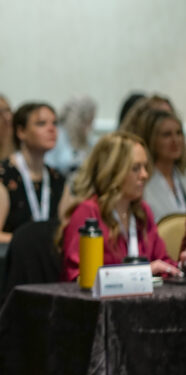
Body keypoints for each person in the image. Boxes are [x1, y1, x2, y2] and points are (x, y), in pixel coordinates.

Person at [60, 132, 180, 281]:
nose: (145, 175)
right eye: (136, 168)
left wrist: (179, 266)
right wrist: (141, 273)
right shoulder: (88, 213)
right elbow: (79, 277)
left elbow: (162, 263)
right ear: (113, 171)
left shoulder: (141, 212)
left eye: (145, 167)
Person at [0, 103, 65, 243]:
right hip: (11, 258)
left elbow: (65, 228)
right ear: (21, 132)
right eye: (41, 123)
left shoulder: (57, 178)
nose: (51, 129)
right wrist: (32, 242)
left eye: (54, 123)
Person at [132, 110, 186, 222]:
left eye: (179, 133)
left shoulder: (182, 177)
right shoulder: (142, 183)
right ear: (152, 140)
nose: (175, 140)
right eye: (167, 135)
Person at [45, 96, 97, 176]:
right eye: (88, 121)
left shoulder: (88, 141)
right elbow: (51, 164)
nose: (90, 126)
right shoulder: (57, 136)